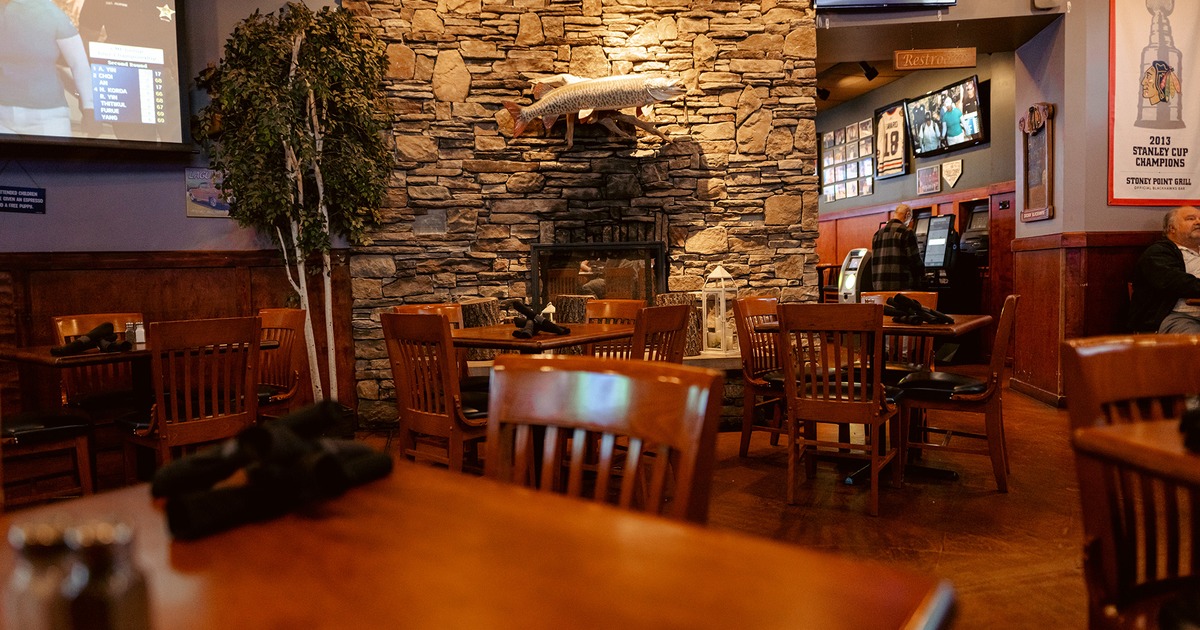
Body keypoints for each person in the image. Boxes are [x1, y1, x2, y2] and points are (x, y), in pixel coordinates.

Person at [0, 0, 96, 137]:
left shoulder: (53, 14)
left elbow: (78, 63)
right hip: (3, 116)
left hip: (48, 116)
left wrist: (90, 108)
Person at [1128, 206, 1200, 333]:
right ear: (1172, 228)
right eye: (1191, 219)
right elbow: (1177, 283)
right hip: (1175, 317)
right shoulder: (1158, 253)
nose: (1198, 222)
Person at [869, 203, 924, 291]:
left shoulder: (877, 234)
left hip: (879, 287)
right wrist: (924, 275)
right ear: (907, 215)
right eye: (911, 219)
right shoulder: (907, 232)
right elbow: (915, 261)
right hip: (900, 286)